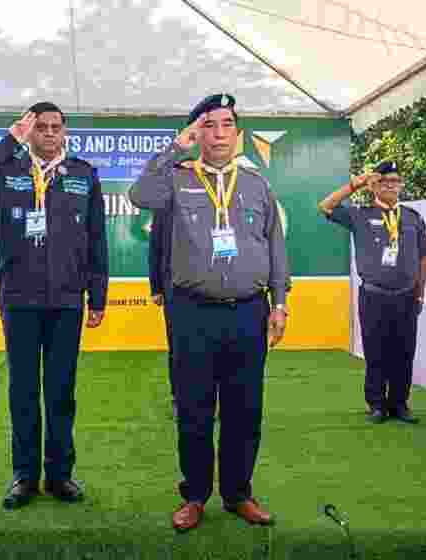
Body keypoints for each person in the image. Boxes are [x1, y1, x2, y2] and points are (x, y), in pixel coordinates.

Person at [129, 93, 290, 532]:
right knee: (194, 410)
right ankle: (195, 495)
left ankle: (239, 493)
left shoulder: (257, 185)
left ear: (236, 134)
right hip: (192, 313)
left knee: (244, 410)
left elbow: (275, 246)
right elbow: (140, 195)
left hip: (247, 312)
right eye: (209, 125)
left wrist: (281, 303)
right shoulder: (177, 180)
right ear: (197, 132)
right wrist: (175, 148)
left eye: (226, 125)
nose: (218, 134)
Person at [0, 102, 109, 511]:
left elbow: (97, 239)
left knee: (60, 391)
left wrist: (99, 295)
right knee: (23, 390)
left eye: (57, 127)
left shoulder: (82, 175)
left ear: (65, 131)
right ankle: (25, 475)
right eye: (41, 127)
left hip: (68, 300)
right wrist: (9, 141)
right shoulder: (8, 171)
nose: (50, 134)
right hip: (19, 299)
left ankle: (60, 475)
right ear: (30, 131)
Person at [318, 161, 426, 424]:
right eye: (383, 181)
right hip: (374, 296)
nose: (390, 185)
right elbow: (325, 206)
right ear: (373, 186)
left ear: (401, 185)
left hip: (407, 295)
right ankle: (376, 404)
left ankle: (399, 404)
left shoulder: (413, 217)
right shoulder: (360, 214)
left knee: (404, 352)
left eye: (395, 181)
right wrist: (354, 184)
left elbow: (423, 257)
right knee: (376, 351)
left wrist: (421, 292)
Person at [148, 208, 177, 416]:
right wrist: (156, 286)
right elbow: (155, 246)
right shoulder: (164, 203)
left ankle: (221, 400)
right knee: (178, 347)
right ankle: (180, 399)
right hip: (173, 289)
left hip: (209, 288)